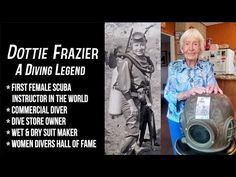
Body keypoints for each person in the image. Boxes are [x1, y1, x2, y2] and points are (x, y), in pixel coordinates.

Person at [164, 28, 223, 155]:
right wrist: (187, 93)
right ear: (182, 48)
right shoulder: (174, 67)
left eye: (195, 44)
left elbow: (213, 84)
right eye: (187, 44)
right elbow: (168, 94)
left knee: (199, 149)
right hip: (176, 116)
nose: (191, 48)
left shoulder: (206, 66)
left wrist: (214, 88)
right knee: (179, 149)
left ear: (200, 48)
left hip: (199, 118)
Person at [115, 32, 155, 155]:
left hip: (142, 98)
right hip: (130, 99)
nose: (139, 48)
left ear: (145, 44)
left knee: (139, 127)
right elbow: (123, 87)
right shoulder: (127, 61)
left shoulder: (146, 60)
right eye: (136, 45)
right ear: (132, 45)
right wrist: (132, 105)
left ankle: (131, 151)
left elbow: (146, 83)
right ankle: (119, 152)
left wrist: (149, 101)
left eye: (142, 45)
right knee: (133, 132)